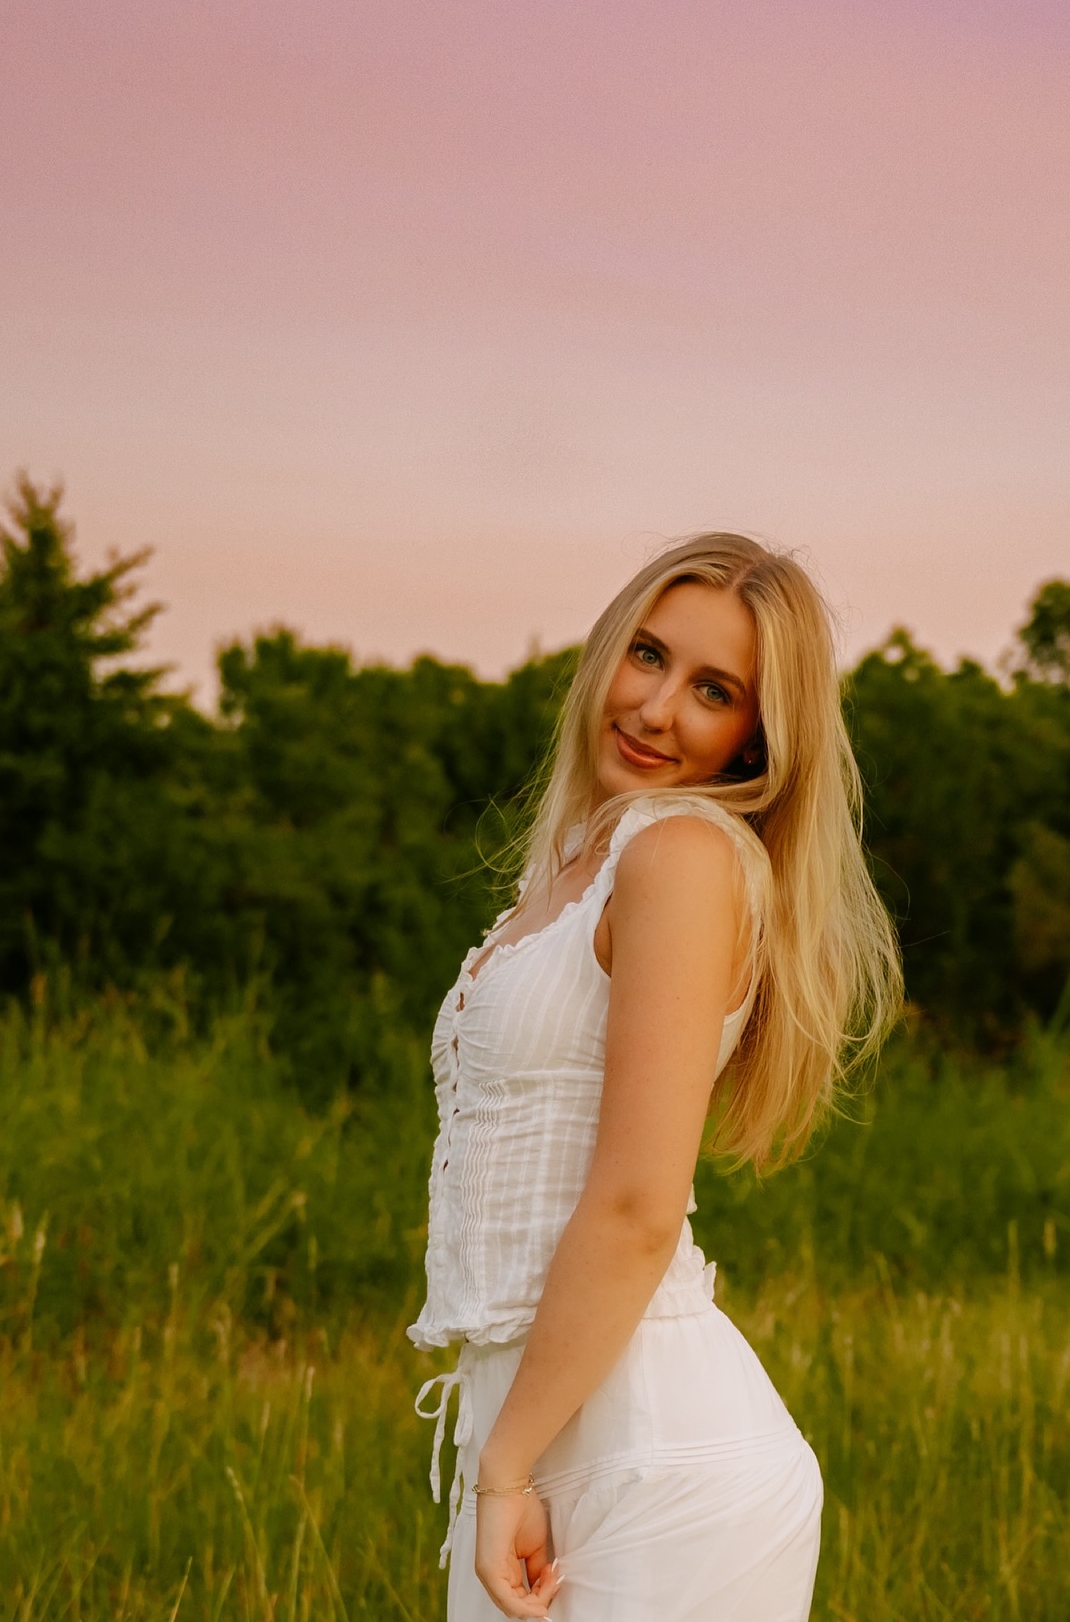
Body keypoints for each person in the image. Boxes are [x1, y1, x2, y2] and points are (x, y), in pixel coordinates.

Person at [409, 532, 902, 1621]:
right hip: (546, 1440)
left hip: (655, 1462)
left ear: (756, 737)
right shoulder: (578, 868)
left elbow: (636, 1206)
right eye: (647, 656)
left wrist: (506, 1466)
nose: (655, 707)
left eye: (713, 690)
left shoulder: (680, 857)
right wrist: (509, 1461)